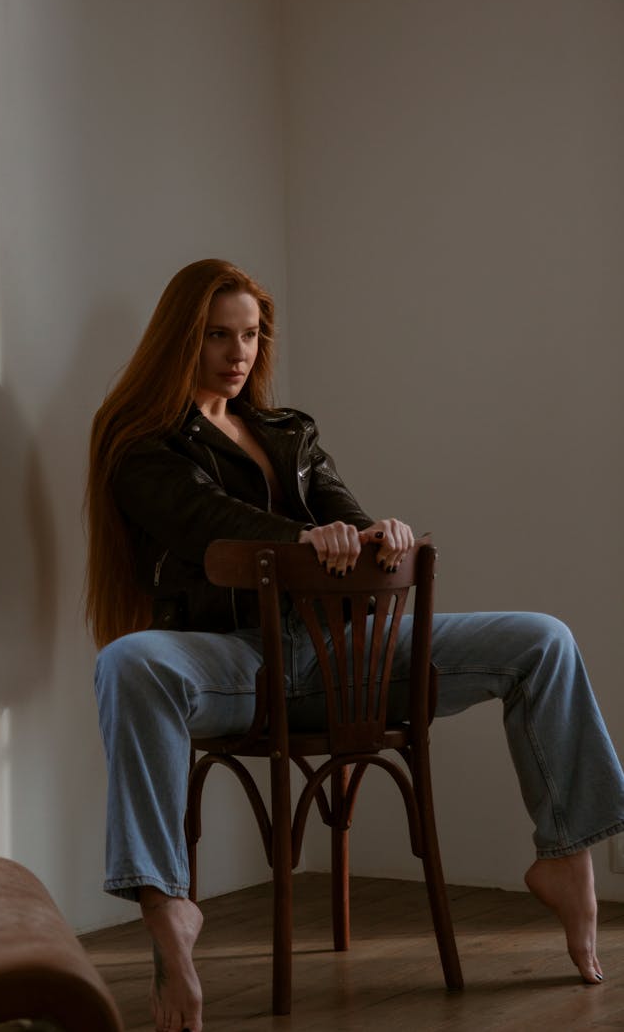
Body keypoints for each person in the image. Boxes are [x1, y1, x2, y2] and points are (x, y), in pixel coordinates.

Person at [87, 259, 624, 1032]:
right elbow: (204, 523)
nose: (237, 353)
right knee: (128, 661)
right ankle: (167, 904)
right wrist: (309, 539)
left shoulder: (290, 431)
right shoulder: (143, 447)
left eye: (248, 335)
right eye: (216, 336)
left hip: (349, 653)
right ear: (180, 338)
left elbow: (354, 523)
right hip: (238, 660)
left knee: (544, 639)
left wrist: (383, 532)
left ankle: (567, 856)